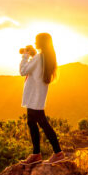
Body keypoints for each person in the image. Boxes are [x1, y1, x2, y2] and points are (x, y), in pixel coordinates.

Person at [19, 32, 67, 165]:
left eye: (36, 41)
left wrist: (25, 56)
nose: (35, 43)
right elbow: (37, 67)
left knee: (42, 123)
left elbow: (23, 71)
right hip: (38, 95)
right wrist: (33, 55)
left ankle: (57, 153)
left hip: (34, 95)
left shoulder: (40, 57)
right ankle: (36, 154)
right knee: (32, 122)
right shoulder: (46, 57)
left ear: (42, 42)